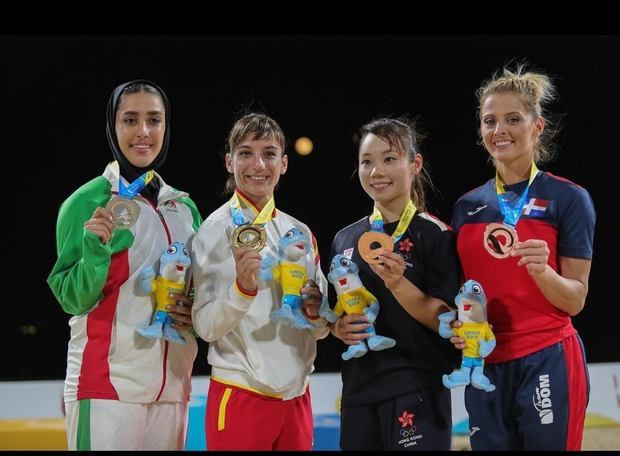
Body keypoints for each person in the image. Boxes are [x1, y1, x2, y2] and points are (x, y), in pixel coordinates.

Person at [47, 80, 202, 450]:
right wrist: (95, 249)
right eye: (130, 120)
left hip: (172, 390)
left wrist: (192, 308)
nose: (143, 132)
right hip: (106, 388)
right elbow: (72, 298)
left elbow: (199, 290)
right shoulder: (86, 202)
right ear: (113, 127)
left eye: (154, 120)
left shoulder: (183, 208)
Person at [449, 65, 595, 450]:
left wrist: (543, 272)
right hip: (486, 365)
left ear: (537, 126)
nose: (500, 130)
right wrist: (458, 328)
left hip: (547, 358)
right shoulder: (467, 207)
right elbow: (465, 294)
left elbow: (575, 299)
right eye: (490, 121)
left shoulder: (569, 198)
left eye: (513, 119)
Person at [190, 112, 330, 451]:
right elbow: (204, 326)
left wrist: (317, 312)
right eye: (246, 153)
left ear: (283, 164)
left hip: (297, 397)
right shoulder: (213, 231)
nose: (258, 164)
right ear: (229, 161)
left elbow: (323, 328)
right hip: (241, 395)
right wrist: (242, 289)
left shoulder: (300, 232)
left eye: (268, 153)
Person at [327, 117, 462, 450]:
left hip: (416, 387)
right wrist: (338, 328)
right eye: (367, 162)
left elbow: (447, 320)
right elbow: (338, 312)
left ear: (415, 164)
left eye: (389, 159)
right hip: (358, 392)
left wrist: (398, 283)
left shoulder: (436, 235)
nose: (376, 171)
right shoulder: (345, 238)